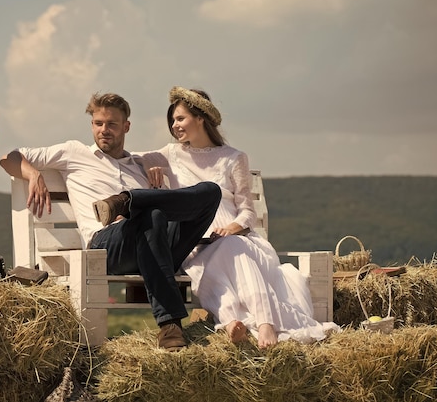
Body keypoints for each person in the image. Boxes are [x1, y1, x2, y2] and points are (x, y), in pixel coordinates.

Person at [0, 92, 221, 351]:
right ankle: (170, 325)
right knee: (151, 214)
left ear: (126, 126)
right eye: (98, 123)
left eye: (112, 124)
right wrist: (33, 173)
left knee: (210, 192)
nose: (104, 130)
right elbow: (9, 157)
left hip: (154, 246)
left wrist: (156, 185)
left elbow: (191, 161)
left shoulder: (139, 164)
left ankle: (127, 201)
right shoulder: (74, 152)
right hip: (107, 245)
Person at [141, 86, 340, 349]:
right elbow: (135, 159)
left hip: (234, 236)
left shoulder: (233, 157)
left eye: (180, 118)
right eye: (173, 120)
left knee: (232, 249)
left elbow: (247, 210)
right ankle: (239, 323)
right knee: (209, 268)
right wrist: (151, 166)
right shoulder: (171, 154)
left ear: (200, 117)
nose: (175, 125)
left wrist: (233, 227)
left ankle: (257, 322)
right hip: (195, 241)